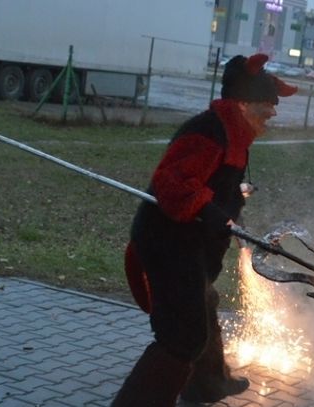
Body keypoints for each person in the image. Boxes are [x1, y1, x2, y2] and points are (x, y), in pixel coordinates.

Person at [111, 53, 297, 406]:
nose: (272, 113)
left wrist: (230, 210)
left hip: (190, 244)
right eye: (266, 105)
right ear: (242, 104)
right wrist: (208, 208)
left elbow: (217, 187)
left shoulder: (236, 136)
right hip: (167, 242)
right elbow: (171, 183)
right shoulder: (208, 132)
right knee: (182, 336)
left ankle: (207, 384)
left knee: (205, 302)